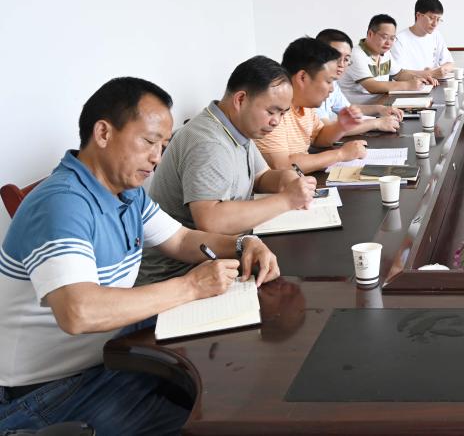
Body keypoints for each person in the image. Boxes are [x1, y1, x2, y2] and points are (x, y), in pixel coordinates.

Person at [0, 78, 280, 435]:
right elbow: (78, 312)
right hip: (52, 390)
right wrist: (191, 286)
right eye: (149, 142)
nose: (157, 158)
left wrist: (243, 244)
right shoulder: (62, 203)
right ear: (103, 133)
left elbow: (180, 239)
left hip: (112, 353)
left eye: (163, 145)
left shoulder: (125, 193)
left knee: (231, 384)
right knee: (216, 418)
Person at [137, 56, 318, 285]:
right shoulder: (209, 142)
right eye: (272, 112)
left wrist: (288, 180)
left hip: (215, 255)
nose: (276, 122)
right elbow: (212, 221)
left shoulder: (237, 128)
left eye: (282, 114)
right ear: (241, 99)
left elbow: (261, 177)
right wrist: (286, 200)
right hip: (177, 273)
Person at [255, 37, 367, 172]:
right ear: (303, 77)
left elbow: (318, 137)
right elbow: (283, 166)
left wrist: (341, 126)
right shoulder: (274, 109)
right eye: (328, 81)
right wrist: (341, 154)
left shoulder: (304, 105)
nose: (332, 89)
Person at [314, 28, 403, 136]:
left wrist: (380, 109)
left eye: (346, 59)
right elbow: (325, 130)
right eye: (335, 57)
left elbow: (347, 110)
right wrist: (376, 123)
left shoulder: (333, 83)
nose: (341, 64)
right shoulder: (311, 86)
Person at [338, 14, 434, 104]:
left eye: (392, 38)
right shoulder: (355, 55)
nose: (388, 43)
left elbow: (399, 74)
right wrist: (408, 85)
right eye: (384, 37)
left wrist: (420, 79)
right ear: (370, 34)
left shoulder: (385, 53)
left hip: (382, 103)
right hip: (360, 110)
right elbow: (372, 86)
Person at [390, 0, 455, 80]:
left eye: (438, 19)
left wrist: (441, 70)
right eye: (431, 18)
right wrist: (429, 73)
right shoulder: (399, 40)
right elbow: (398, 74)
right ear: (418, 15)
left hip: (434, 84)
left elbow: (450, 63)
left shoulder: (436, 35)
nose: (435, 24)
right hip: (411, 87)